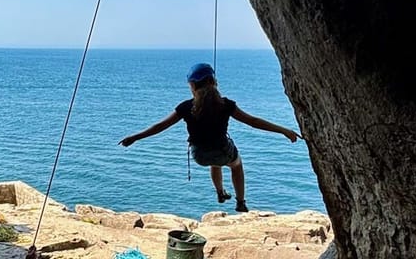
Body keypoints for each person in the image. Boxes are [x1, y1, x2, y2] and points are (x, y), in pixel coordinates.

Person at [119, 63, 301, 212]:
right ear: (213, 82)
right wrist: (284, 130)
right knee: (236, 165)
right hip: (222, 151)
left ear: (192, 86)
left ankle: (221, 193)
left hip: (199, 156)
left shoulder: (185, 107)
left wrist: (135, 137)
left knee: (214, 161)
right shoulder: (226, 105)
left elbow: (160, 126)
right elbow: (253, 121)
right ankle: (240, 202)